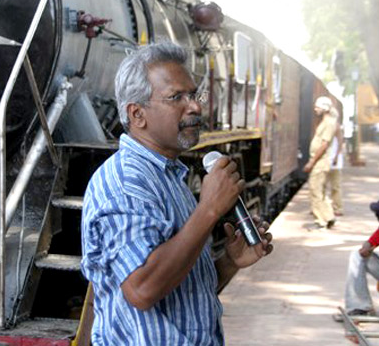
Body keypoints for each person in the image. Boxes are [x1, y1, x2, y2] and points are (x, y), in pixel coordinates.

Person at [81, 42, 273, 346]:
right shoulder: (126, 182)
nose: (195, 107)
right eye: (176, 97)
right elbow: (142, 290)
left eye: (194, 95)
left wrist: (229, 263)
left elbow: (182, 296)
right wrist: (209, 210)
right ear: (137, 114)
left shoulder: (170, 176)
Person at [303, 96, 338, 229]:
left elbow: (324, 144)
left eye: (318, 107)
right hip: (321, 162)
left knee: (315, 190)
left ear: (325, 108)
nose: (315, 109)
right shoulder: (326, 122)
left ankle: (320, 221)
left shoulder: (329, 123)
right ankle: (329, 217)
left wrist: (311, 162)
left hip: (320, 162)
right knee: (321, 191)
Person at [327, 109, 344, 216]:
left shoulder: (337, 127)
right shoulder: (326, 126)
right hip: (326, 159)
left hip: (334, 161)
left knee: (335, 186)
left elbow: (340, 142)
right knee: (322, 185)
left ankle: (337, 207)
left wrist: (336, 157)